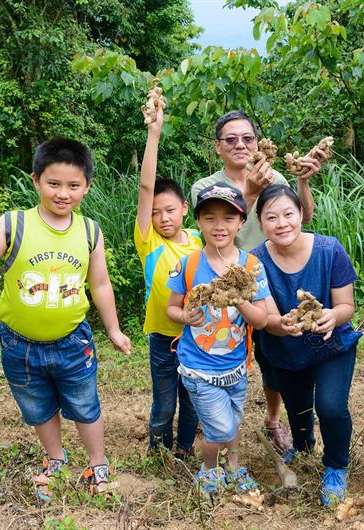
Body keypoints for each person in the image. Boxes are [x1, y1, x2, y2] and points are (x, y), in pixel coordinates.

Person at [0, 138, 132, 500]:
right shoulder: (13, 224)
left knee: (85, 405)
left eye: (74, 186)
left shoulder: (89, 231)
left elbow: (100, 284)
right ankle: (55, 460)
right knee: (37, 407)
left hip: (73, 341)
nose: (63, 194)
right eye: (53, 183)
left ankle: (97, 464)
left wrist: (114, 329)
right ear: (36, 180)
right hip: (19, 345)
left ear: (87, 186)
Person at [190, 110, 326, 454]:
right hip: (226, 281)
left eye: (248, 139)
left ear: (257, 144)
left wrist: (302, 182)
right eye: (230, 140)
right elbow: (221, 232)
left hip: (267, 274)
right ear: (218, 148)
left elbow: (301, 217)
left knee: (272, 352)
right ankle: (212, 419)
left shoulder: (273, 174)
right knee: (219, 348)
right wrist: (248, 194)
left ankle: (272, 418)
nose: (240, 145)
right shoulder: (205, 187)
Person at [251, 184, 361, 505]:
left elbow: (346, 306)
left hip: (332, 345)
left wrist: (332, 315)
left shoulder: (329, 250)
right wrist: (280, 325)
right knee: (298, 409)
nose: (281, 223)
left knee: (329, 406)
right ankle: (302, 447)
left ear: (301, 214)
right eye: (271, 217)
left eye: (288, 214)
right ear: (260, 222)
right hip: (286, 348)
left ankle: (337, 466)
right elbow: (268, 314)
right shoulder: (255, 261)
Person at [166, 183, 269, 496]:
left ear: (241, 222)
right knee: (219, 428)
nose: (219, 226)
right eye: (209, 218)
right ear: (198, 222)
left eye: (228, 218)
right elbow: (171, 308)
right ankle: (209, 468)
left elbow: (262, 320)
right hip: (199, 366)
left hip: (236, 364)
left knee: (233, 423)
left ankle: (234, 467)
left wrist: (239, 298)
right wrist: (186, 316)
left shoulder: (251, 267)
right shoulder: (189, 264)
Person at [135, 101, 201, 457]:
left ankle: (185, 450)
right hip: (162, 337)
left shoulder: (197, 239)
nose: (163, 218)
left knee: (191, 401)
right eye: (157, 213)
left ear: (185, 210)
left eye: (170, 210)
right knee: (164, 404)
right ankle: (158, 453)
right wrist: (154, 134)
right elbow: (146, 188)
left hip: (196, 334)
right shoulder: (149, 242)